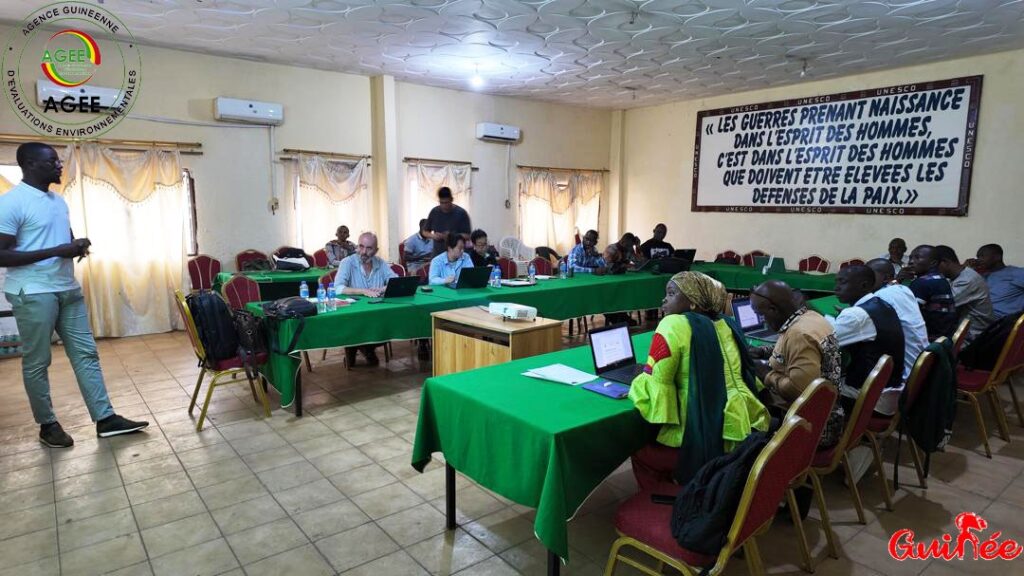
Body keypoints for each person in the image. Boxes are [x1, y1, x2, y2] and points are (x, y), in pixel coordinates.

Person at [0, 142, 149, 447]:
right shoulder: (11, 203)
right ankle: (47, 425)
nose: (59, 165)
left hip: (67, 287)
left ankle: (105, 418)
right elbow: (2, 255)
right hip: (33, 292)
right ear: (29, 164)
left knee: (86, 354)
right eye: (52, 161)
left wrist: (76, 245)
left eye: (58, 160)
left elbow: (61, 239)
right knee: (38, 361)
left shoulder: (58, 201)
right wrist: (57, 250)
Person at [628, 272, 770, 490]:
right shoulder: (728, 323)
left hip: (702, 435)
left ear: (693, 302)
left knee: (638, 446)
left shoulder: (673, 324)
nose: (664, 299)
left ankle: (672, 498)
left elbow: (658, 384)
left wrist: (642, 377)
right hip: (744, 426)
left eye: (671, 294)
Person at [748, 280, 844, 449]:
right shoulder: (810, 317)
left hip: (814, 427)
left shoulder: (799, 334)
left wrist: (766, 374)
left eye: (761, 315)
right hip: (827, 412)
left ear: (773, 310)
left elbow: (800, 390)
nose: (763, 321)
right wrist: (763, 351)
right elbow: (788, 349)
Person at [827, 266, 905, 415]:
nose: (836, 288)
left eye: (842, 282)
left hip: (872, 398)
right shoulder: (882, 304)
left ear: (863, 285)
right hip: (890, 391)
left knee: (810, 386)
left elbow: (823, 342)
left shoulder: (857, 315)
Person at [866, 258, 929, 412]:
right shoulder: (903, 289)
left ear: (886, 278)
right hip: (920, 371)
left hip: (899, 383)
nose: (864, 279)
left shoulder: (880, 298)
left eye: (870, 275)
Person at [336, 232, 396, 366]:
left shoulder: (380, 263)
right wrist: (363, 291)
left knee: (390, 321)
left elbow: (395, 281)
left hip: (378, 311)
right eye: (361, 246)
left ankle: (366, 348)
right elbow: (338, 288)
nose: (363, 252)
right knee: (356, 324)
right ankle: (355, 348)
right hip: (353, 313)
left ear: (376, 250)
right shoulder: (347, 262)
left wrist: (382, 289)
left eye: (369, 248)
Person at [935, 245, 994, 343]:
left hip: (974, 338)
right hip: (963, 332)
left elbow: (943, 307)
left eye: (934, 267)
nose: (932, 271)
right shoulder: (957, 277)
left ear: (945, 262)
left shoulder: (967, 280)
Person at [906, 245, 958, 340]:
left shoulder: (922, 282)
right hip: (944, 338)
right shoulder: (942, 279)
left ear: (933, 263)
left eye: (917, 258)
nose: (911, 261)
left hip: (929, 339)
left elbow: (908, 315)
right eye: (910, 258)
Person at [975, 244, 1024, 318]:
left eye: (982, 256)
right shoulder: (981, 277)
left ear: (997, 257)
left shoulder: (1016, 272)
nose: (979, 260)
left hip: (1003, 320)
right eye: (978, 257)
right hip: (981, 318)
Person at [425, 187, 471, 256]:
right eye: (441, 203)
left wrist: (451, 236)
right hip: (438, 254)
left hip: (457, 254)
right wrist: (433, 236)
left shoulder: (461, 213)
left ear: (451, 200)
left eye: (446, 202)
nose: (444, 206)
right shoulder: (434, 212)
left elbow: (468, 236)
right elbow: (425, 232)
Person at [600, 244, 633, 326]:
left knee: (621, 296)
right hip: (604, 292)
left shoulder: (617, 263)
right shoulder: (600, 261)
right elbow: (609, 270)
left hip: (616, 290)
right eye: (609, 256)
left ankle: (623, 318)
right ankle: (617, 320)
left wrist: (623, 266)